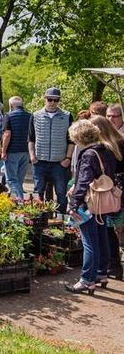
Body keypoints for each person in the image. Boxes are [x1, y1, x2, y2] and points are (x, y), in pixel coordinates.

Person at [64, 119, 118, 294]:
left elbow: (83, 182)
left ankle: (87, 279)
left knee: (89, 241)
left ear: (79, 137)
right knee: (102, 237)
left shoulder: (88, 154)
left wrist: (73, 204)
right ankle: (101, 273)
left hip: (89, 202)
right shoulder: (106, 150)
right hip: (103, 202)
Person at [89, 115, 124, 281]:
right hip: (118, 190)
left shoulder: (104, 148)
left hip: (110, 191)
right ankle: (114, 266)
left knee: (109, 230)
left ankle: (114, 266)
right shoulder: (120, 141)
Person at [28, 88, 74, 213]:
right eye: (50, 99)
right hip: (39, 162)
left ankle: (61, 222)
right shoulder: (35, 115)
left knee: (61, 193)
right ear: (45, 99)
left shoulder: (67, 116)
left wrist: (68, 158)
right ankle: (38, 219)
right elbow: (31, 138)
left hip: (59, 163)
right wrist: (32, 156)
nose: (52, 102)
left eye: (56, 100)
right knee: (38, 192)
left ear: (59, 101)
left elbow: (71, 140)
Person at [0, 96, 32, 200]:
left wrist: (3, 151)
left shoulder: (8, 116)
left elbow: (7, 134)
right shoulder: (30, 116)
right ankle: (14, 201)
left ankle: (19, 200)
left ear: (11, 105)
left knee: (12, 180)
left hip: (12, 151)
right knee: (19, 180)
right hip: (26, 151)